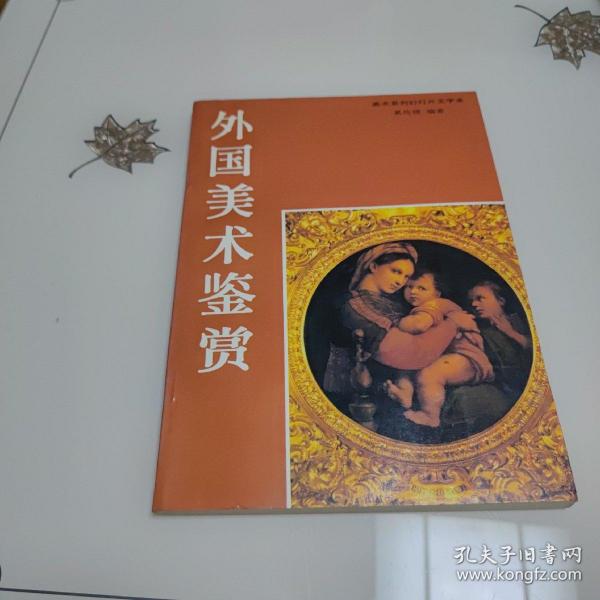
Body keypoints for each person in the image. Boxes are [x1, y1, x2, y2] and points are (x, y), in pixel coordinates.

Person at [328, 243, 476, 394]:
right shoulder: (353, 306)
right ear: (373, 266)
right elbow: (409, 354)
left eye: (405, 277)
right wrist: (452, 323)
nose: (400, 282)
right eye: (396, 271)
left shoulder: (393, 303)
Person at [384, 268, 494, 427]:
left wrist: (399, 323)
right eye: (409, 287)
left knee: (429, 374)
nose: (413, 291)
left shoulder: (437, 304)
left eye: (422, 288)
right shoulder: (421, 309)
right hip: (441, 355)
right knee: (405, 364)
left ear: (437, 293)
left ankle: (430, 415)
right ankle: (405, 394)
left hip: (467, 359)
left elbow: (418, 325)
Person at [468, 281, 532, 399]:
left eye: (480, 298)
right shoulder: (478, 333)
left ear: (501, 301)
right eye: (471, 300)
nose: (474, 304)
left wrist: (511, 333)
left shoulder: (523, 321)